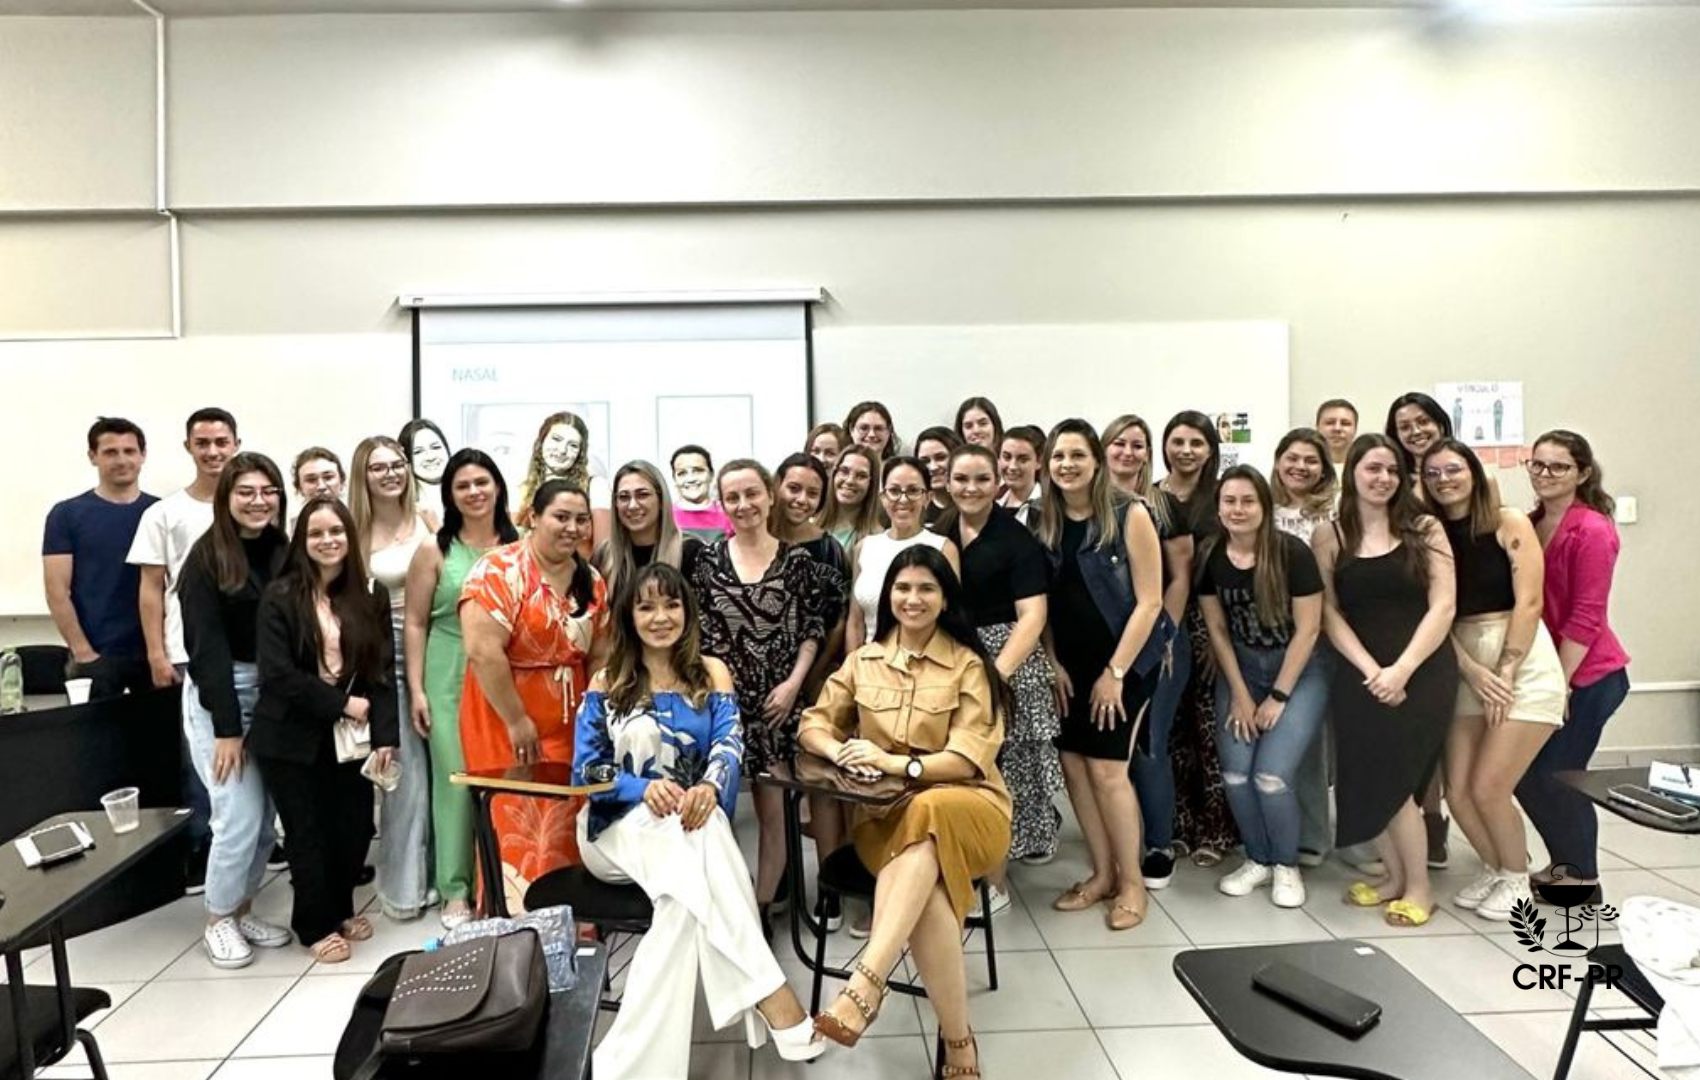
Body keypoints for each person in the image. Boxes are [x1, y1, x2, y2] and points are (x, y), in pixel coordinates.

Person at [573, 564, 825, 1079]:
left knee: (682, 906)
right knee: (700, 841)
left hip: (689, 828)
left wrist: (709, 786)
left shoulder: (711, 674)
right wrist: (642, 787)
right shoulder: (608, 680)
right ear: (629, 616)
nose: (660, 617)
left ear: (687, 612)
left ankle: (624, 1068)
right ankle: (771, 991)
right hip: (615, 830)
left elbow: (730, 745)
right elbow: (586, 771)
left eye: (671, 605)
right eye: (646, 606)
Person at [798, 545, 1010, 1080]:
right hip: (885, 823)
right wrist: (841, 752)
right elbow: (812, 725)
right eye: (903, 588)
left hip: (972, 811)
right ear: (887, 596)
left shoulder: (969, 666)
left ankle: (866, 981)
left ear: (945, 600)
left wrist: (895, 763)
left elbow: (966, 760)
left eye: (926, 589)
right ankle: (960, 1047)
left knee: (932, 805)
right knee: (930, 895)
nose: (913, 599)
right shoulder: (863, 662)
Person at [689, 459, 844, 930]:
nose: (744, 505)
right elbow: (701, 637)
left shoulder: (798, 562)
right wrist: (725, 697)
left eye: (752, 493)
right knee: (749, 812)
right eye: (732, 497)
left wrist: (794, 685)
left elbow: (812, 630)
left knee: (794, 803)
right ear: (722, 504)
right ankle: (736, 906)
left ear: (770, 495)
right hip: (731, 706)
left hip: (785, 702)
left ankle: (774, 907)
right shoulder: (708, 562)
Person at [1311, 434, 1457, 927]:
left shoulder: (1425, 528)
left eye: (1393, 470)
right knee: (1367, 777)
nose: (1384, 478)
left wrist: (1402, 669)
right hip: (1359, 674)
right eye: (1373, 468)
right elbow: (1328, 612)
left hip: (1422, 671)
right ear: (1352, 472)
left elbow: (1444, 606)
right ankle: (1394, 878)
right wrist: (1372, 670)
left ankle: (1420, 889)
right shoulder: (1330, 536)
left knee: (1396, 783)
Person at [1420, 439, 1563, 919]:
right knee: (1458, 790)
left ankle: (1518, 878)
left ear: (1474, 472)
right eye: (1433, 473)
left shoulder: (1508, 521)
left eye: (1453, 469)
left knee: (1489, 786)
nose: (1444, 480)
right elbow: (1436, 613)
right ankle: (1496, 867)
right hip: (1462, 657)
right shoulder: (1430, 535)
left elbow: (1530, 601)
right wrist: (1471, 670)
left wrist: (1505, 669)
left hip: (1519, 658)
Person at [252, 497, 398, 962]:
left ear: (349, 537)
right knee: (308, 833)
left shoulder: (369, 594)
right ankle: (314, 925)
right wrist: (342, 705)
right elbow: (277, 675)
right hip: (290, 736)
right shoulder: (279, 596)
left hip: (350, 738)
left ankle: (340, 909)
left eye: (336, 531)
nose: (327, 540)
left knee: (354, 828)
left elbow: (381, 670)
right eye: (316, 533)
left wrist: (386, 736)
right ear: (302, 540)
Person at [1039, 419, 1166, 931]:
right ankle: (1102, 874)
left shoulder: (1129, 513)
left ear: (1096, 461)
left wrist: (1115, 672)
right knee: (1074, 767)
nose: (1066, 465)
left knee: (1108, 771)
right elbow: (1042, 604)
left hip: (1125, 663)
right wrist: (1051, 661)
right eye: (1058, 456)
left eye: (1076, 455)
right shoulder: (1044, 520)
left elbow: (1151, 601)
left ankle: (1132, 883)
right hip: (1070, 666)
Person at [460, 480, 609, 912]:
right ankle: (515, 921)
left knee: (567, 814)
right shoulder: (497, 570)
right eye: (561, 517)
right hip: (504, 715)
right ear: (533, 517)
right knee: (513, 816)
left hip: (571, 718)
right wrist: (516, 719)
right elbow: (483, 651)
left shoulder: (590, 579)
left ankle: (573, 917)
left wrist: (596, 717)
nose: (572, 528)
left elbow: (600, 653)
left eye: (581, 519)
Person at [177, 451, 292, 968]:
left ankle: (242, 910)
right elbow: (207, 653)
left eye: (268, 491)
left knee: (265, 818)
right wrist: (227, 729)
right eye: (246, 492)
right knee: (238, 815)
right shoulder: (205, 560)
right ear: (226, 498)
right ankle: (217, 919)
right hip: (220, 696)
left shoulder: (281, 549)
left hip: (271, 693)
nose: (258, 501)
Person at [1197, 466, 1329, 908]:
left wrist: (1278, 696)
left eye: (1248, 501)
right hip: (1241, 670)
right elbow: (1217, 630)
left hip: (1298, 673)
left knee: (1271, 777)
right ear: (1218, 508)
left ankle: (1286, 865)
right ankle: (1259, 858)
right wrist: (1239, 693)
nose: (1238, 509)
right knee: (1236, 775)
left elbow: (1309, 630)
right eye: (1229, 501)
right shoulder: (1211, 556)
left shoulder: (1292, 553)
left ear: (1264, 506)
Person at [939, 444, 1061, 905]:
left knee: (1002, 772)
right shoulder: (941, 529)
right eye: (961, 479)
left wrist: (995, 675)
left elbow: (1033, 616)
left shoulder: (1016, 539)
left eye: (981, 480)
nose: (970, 488)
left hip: (1007, 660)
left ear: (997, 483)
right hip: (954, 657)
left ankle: (995, 884)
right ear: (947, 483)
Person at [404, 449, 519, 930]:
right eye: (463, 485)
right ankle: (455, 890)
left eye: (482, 482)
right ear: (449, 495)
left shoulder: (520, 544)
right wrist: (417, 690)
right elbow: (415, 622)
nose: (474, 492)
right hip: (447, 671)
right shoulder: (434, 550)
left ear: (498, 487)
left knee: (504, 778)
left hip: (505, 674)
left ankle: (503, 882)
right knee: (455, 780)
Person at [129, 406, 241, 890]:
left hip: (250, 652)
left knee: (248, 750)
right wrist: (156, 653)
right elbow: (151, 588)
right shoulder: (164, 514)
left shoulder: (251, 504)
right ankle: (202, 845)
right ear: (188, 448)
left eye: (221, 442)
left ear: (236, 444)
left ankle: (249, 840)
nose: (213, 451)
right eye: (203, 443)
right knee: (199, 759)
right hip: (186, 650)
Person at [1517, 430, 1631, 904]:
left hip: (1590, 676)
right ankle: (1566, 865)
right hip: (1550, 672)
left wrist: (1560, 685)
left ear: (1582, 473)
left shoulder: (1593, 530)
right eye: (1538, 464)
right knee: (1527, 774)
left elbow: (1587, 616)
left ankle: (1583, 880)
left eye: (1559, 466)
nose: (1545, 474)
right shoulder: (1531, 523)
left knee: (1557, 775)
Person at [1103, 413, 1194, 888]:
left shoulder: (1162, 506)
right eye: (1118, 443)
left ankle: (1159, 844)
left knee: (1149, 746)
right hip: (1110, 645)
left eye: (1137, 445)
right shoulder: (1093, 505)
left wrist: (1166, 636)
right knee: (1113, 752)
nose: (1128, 452)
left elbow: (1179, 578)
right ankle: (1121, 841)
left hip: (1161, 642)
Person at [350, 435, 433, 921]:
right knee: (405, 779)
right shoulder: (353, 532)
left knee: (442, 774)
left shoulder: (428, 519)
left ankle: (441, 878)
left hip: (437, 648)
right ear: (363, 476)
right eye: (378, 467)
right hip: (385, 658)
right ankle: (403, 890)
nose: (391, 474)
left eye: (397, 464)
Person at [1159, 411, 1239, 866]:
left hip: (1212, 621)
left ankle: (1217, 828)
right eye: (1178, 441)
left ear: (1211, 450)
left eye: (1196, 443)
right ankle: (1180, 825)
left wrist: (1214, 634)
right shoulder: (1151, 497)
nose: (1186, 451)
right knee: (1172, 730)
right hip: (1164, 622)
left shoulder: (1222, 499)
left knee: (1210, 731)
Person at [1268, 427, 1350, 870]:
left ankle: (1314, 838)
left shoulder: (1334, 514)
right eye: (1292, 458)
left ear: (1324, 469)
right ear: (1278, 460)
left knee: (1311, 745)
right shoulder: (1261, 508)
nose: (1300, 467)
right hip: (1264, 637)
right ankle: (1276, 831)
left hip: (1318, 638)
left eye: (1310, 460)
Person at [43, 417, 159, 700]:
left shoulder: (161, 512)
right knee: (92, 731)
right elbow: (57, 591)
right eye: (110, 452)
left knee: (161, 730)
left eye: (129, 451)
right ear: (93, 456)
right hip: (96, 657)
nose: (121, 460)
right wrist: (83, 651)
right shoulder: (66, 515)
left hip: (155, 655)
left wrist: (162, 652)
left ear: (143, 455)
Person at [846, 456, 961, 655]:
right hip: (870, 661)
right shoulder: (864, 547)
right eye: (894, 491)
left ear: (927, 498)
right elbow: (855, 621)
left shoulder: (943, 548)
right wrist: (853, 665)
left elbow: (952, 615)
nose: (903, 499)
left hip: (925, 660)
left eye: (913, 491)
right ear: (883, 497)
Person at [595, 460, 702, 605]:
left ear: (661, 500)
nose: (632, 505)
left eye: (642, 495)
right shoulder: (604, 556)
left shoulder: (692, 552)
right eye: (624, 497)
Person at [517, 411, 611, 543]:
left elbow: (604, 549)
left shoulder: (596, 487)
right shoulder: (520, 491)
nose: (562, 450)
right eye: (556, 439)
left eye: (573, 445)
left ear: (580, 453)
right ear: (542, 441)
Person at [821, 445, 882, 552]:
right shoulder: (811, 523)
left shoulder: (876, 539)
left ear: (871, 484)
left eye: (861, 476)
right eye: (844, 471)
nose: (850, 481)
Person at [670, 444, 733, 542]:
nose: (691, 479)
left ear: (711, 475)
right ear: (675, 479)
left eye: (698, 471)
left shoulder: (729, 513)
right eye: (682, 473)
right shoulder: (665, 516)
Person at [398, 418, 451, 529]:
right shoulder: (400, 504)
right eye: (418, 452)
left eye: (435, 447)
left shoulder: (470, 492)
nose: (430, 457)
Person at [996, 424, 1046, 528]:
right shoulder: (992, 502)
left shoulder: (1050, 508)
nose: (1012, 466)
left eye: (1023, 459)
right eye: (1007, 457)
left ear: (1039, 462)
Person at [912, 426, 962, 526]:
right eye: (925, 461)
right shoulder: (914, 509)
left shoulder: (975, 505)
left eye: (941, 457)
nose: (933, 467)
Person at [1315, 399, 1358, 469]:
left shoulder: (1365, 468)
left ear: (1355, 429)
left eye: (1345, 423)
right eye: (1330, 423)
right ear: (1317, 427)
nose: (1337, 428)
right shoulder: (1304, 467)